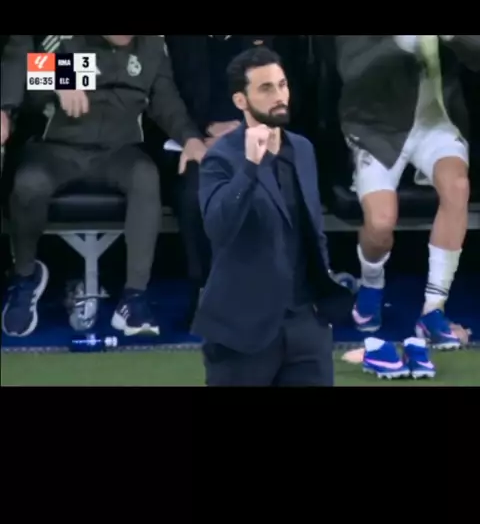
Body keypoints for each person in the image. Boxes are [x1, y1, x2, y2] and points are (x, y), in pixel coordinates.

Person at [1, 35, 206, 338]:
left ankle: (134, 297)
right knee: (29, 184)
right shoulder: (71, 41)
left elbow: (165, 100)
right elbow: (28, 79)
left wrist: (189, 137)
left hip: (118, 151)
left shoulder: (151, 46)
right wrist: (61, 80)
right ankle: (25, 276)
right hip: (58, 150)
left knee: (145, 176)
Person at [192, 46, 353, 387]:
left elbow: (313, 230)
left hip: (306, 324)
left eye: (282, 85)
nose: (279, 96)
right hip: (244, 330)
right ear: (240, 100)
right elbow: (218, 228)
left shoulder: (303, 149)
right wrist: (250, 167)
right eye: (266, 88)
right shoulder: (221, 158)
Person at [335, 34, 480, 376]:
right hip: (375, 127)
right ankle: (371, 284)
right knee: (381, 224)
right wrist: (401, 44)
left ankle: (433, 310)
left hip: (438, 124)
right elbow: (352, 67)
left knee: (457, 187)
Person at [167, 35, 274, 319]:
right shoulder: (74, 46)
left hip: (250, 139)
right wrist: (194, 135)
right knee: (194, 190)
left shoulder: (143, 47)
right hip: (68, 151)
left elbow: (287, 92)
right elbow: (164, 99)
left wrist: (244, 129)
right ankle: (205, 288)